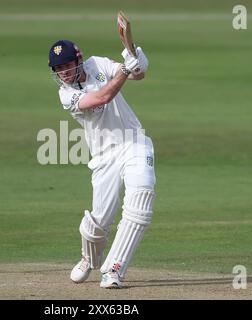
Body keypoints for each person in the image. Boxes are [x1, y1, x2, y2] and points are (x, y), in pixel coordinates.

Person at [48, 40, 156, 288]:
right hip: (104, 157)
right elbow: (103, 97)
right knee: (99, 223)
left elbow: (137, 76)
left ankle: (114, 269)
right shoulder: (66, 95)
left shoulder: (97, 63)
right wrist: (127, 71)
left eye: (66, 65)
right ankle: (89, 259)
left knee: (141, 199)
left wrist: (134, 60)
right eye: (57, 68)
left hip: (134, 142)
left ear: (78, 60)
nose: (63, 72)